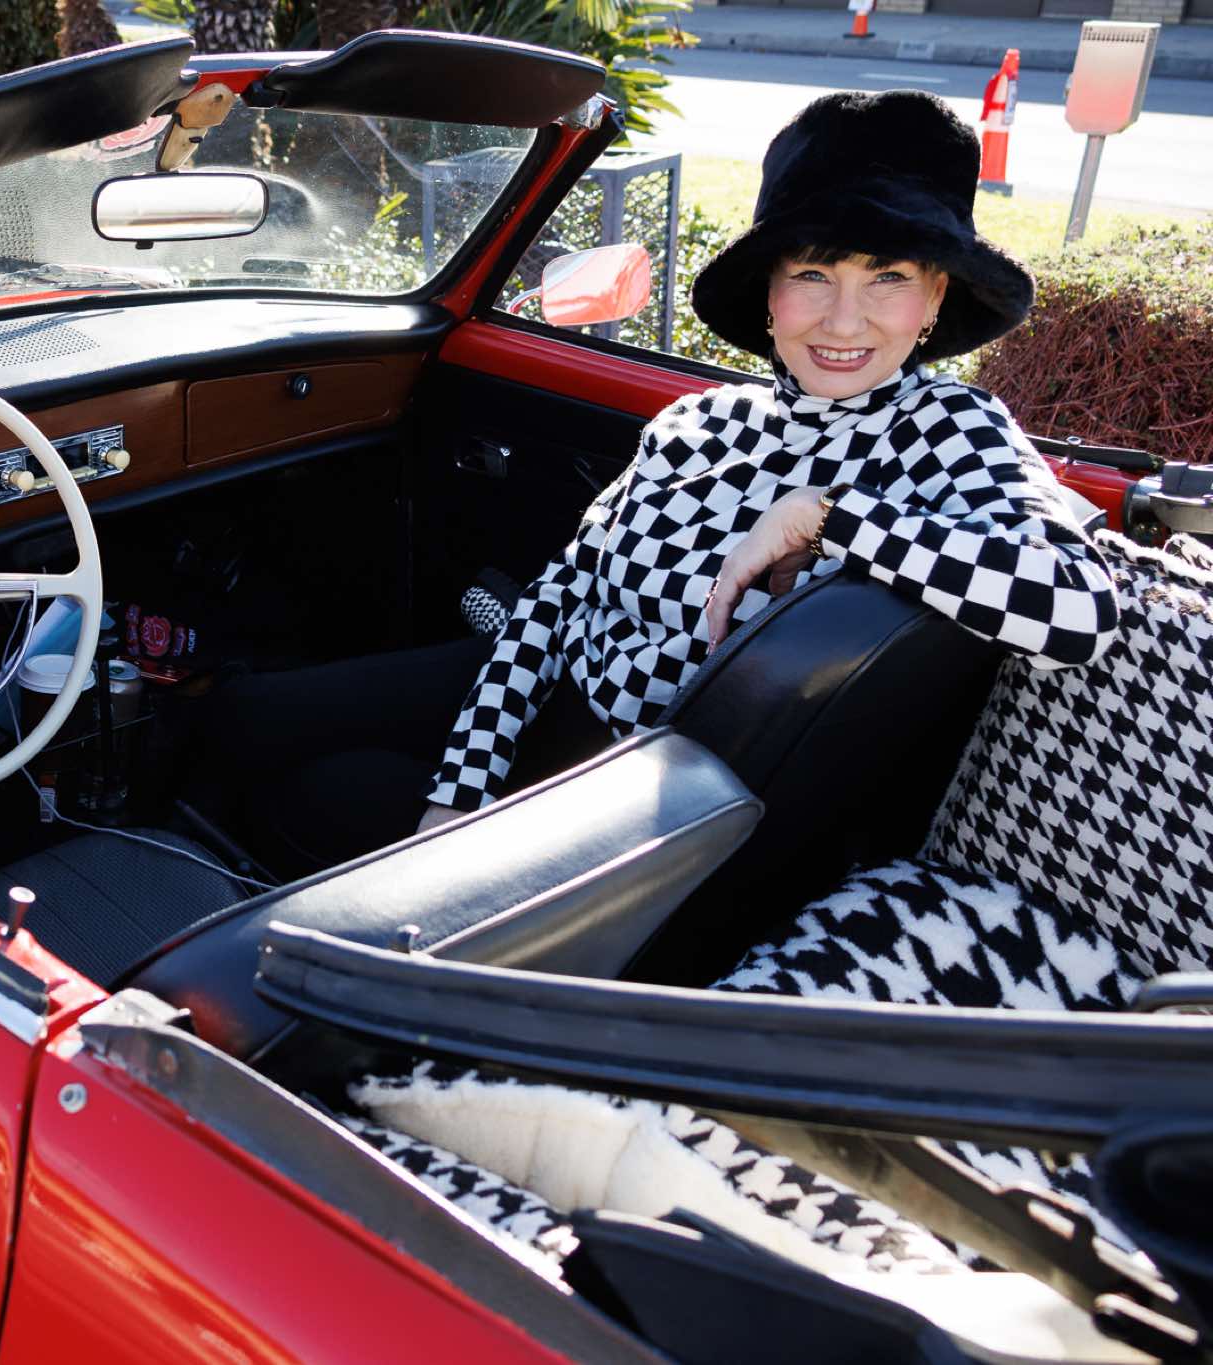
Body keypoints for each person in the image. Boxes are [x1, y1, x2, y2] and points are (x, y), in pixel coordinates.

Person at [213, 89, 1120, 875]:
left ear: (936, 300)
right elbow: (558, 598)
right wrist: (462, 788)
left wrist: (827, 516)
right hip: (537, 689)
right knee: (247, 718)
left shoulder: (949, 430)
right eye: (812, 273)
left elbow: (1079, 608)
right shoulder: (699, 420)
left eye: (888, 277)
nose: (845, 320)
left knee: (317, 795)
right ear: (769, 293)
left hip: (641, 798)